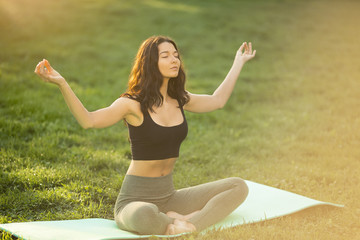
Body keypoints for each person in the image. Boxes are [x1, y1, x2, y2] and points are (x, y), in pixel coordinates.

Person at [34, 35, 256, 235]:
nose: (174, 60)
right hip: (134, 201)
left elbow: (217, 100)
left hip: (170, 196)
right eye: (166, 56)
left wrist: (239, 61)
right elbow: (88, 120)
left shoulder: (179, 99)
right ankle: (177, 220)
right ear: (151, 62)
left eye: (176, 55)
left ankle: (189, 224)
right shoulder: (132, 104)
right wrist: (62, 83)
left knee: (238, 186)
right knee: (145, 214)